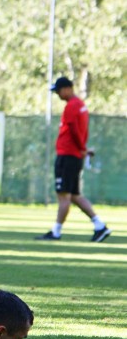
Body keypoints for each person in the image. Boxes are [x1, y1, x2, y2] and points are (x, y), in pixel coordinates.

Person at [36, 76, 111, 242]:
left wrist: (82, 149)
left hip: (68, 155)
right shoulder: (81, 106)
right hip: (74, 155)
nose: (58, 94)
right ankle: (100, 226)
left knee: (64, 195)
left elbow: (74, 131)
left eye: (58, 91)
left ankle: (56, 231)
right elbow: (82, 131)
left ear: (68, 88)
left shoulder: (72, 106)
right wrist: (83, 149)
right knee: (75, 195)